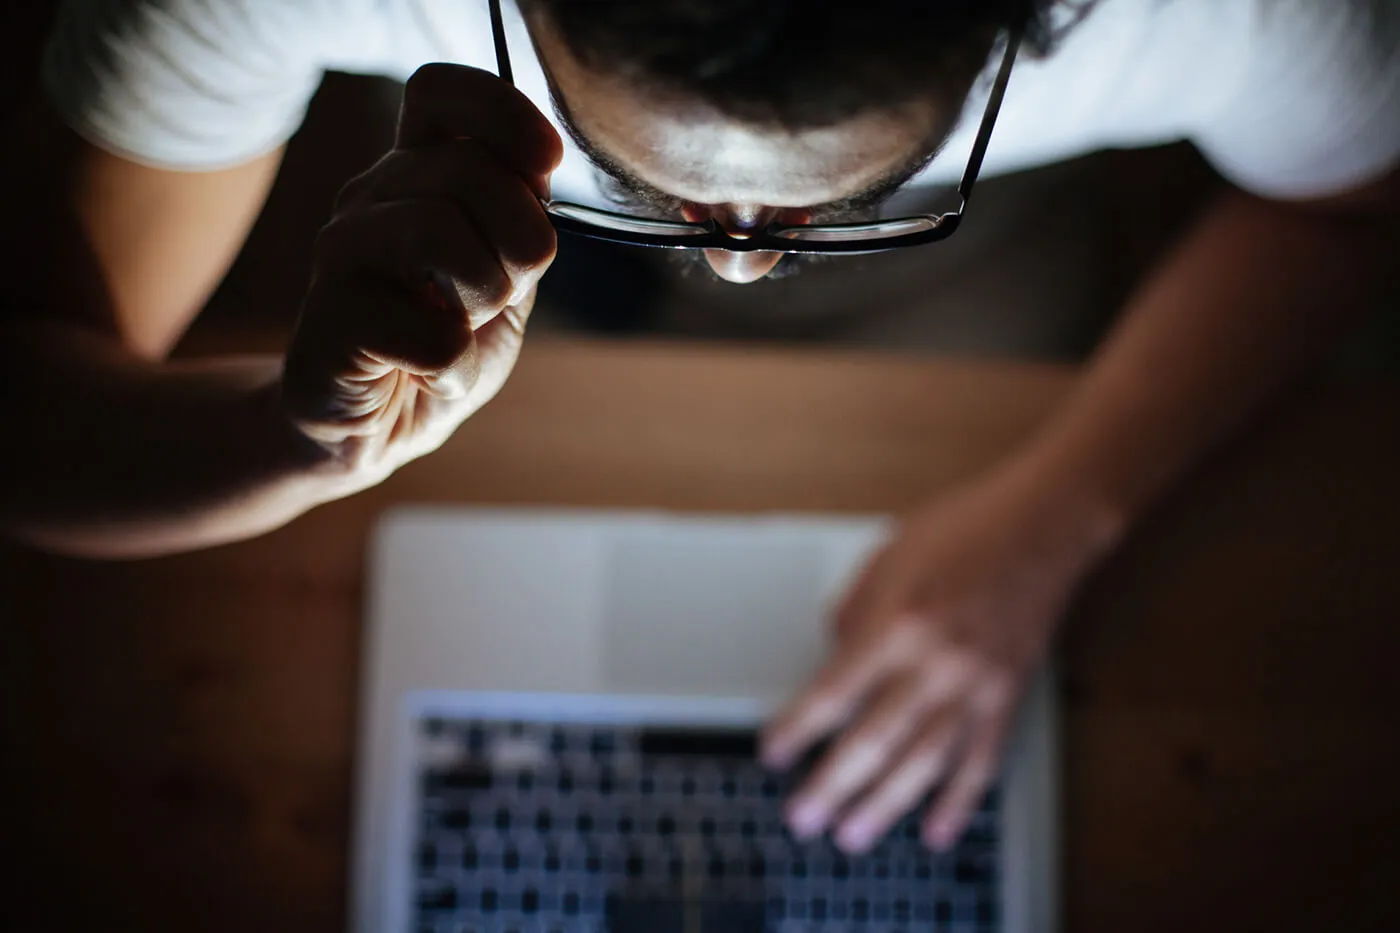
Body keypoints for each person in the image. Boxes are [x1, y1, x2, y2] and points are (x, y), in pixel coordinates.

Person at [1, 0, 1397, 856]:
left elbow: (1354, 207)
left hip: (966, 312)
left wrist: (1059, 512)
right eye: (643, 170)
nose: (733, 263)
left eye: (829, 196)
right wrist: (300, 442)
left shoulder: (1245, 16)